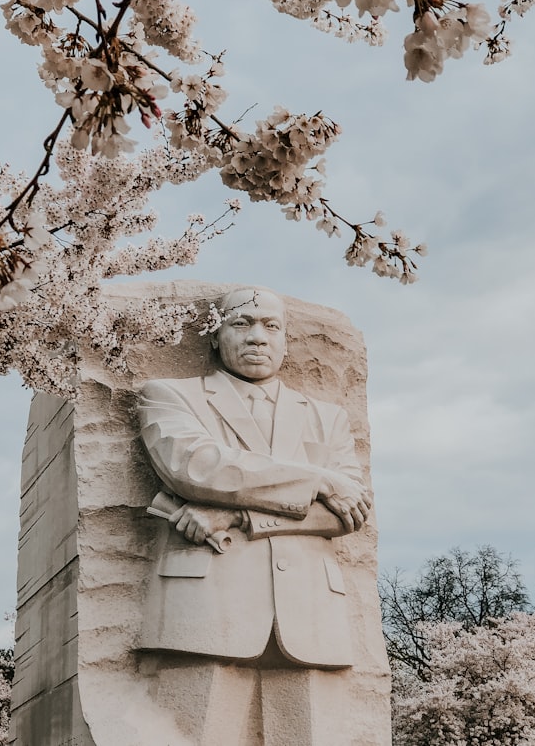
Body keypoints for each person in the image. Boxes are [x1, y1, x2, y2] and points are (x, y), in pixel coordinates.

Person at [136, 286, 372, 744]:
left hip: (310, 611)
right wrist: (319, 481)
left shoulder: (328, 417)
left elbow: (347, 514)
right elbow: (197, 467)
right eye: (240, 324)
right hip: (206, 604)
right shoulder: (169, 395)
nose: (257, 337)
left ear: (286, 341)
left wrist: (238, 517)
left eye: (271, 326)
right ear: (214, 337)